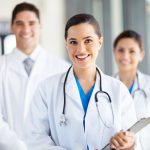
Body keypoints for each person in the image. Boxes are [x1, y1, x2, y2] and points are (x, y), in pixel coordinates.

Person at [25, 14, 141, 150]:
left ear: (100, 42)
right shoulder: (47, 89)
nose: (81, 49)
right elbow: (35, 138)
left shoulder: (118, 90)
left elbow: (134, 141)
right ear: (66, 44)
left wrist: (128, 144)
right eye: (73, 42)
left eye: (88, 41)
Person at [0, 2, 69, 149]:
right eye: (19, 23)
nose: (26, 29)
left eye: (31, 23)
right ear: (12, 27)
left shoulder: (62, 68)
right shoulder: (2, 66)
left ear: (40, 26)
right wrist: (17, 146)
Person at [113, 30, 150, 150]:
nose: (125, 56)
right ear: (114, 52)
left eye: (132, 51)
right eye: (121, 50)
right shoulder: (105, 89)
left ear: (141, 55)